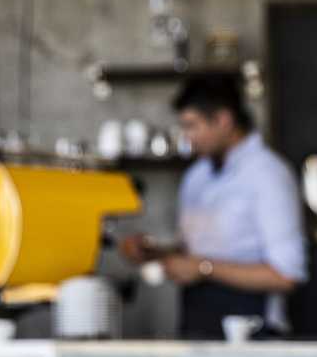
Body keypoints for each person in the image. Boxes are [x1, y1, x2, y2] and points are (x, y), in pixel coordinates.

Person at [121, 74, 307, 339]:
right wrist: (155, 253)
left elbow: (287, 275)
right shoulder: (195, 176)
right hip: (196, 321)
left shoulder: (268, 174)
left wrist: (202, 268)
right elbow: (192, 248)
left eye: (192, 126)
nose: (187, 138)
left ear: (223, 120)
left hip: (252, 333)